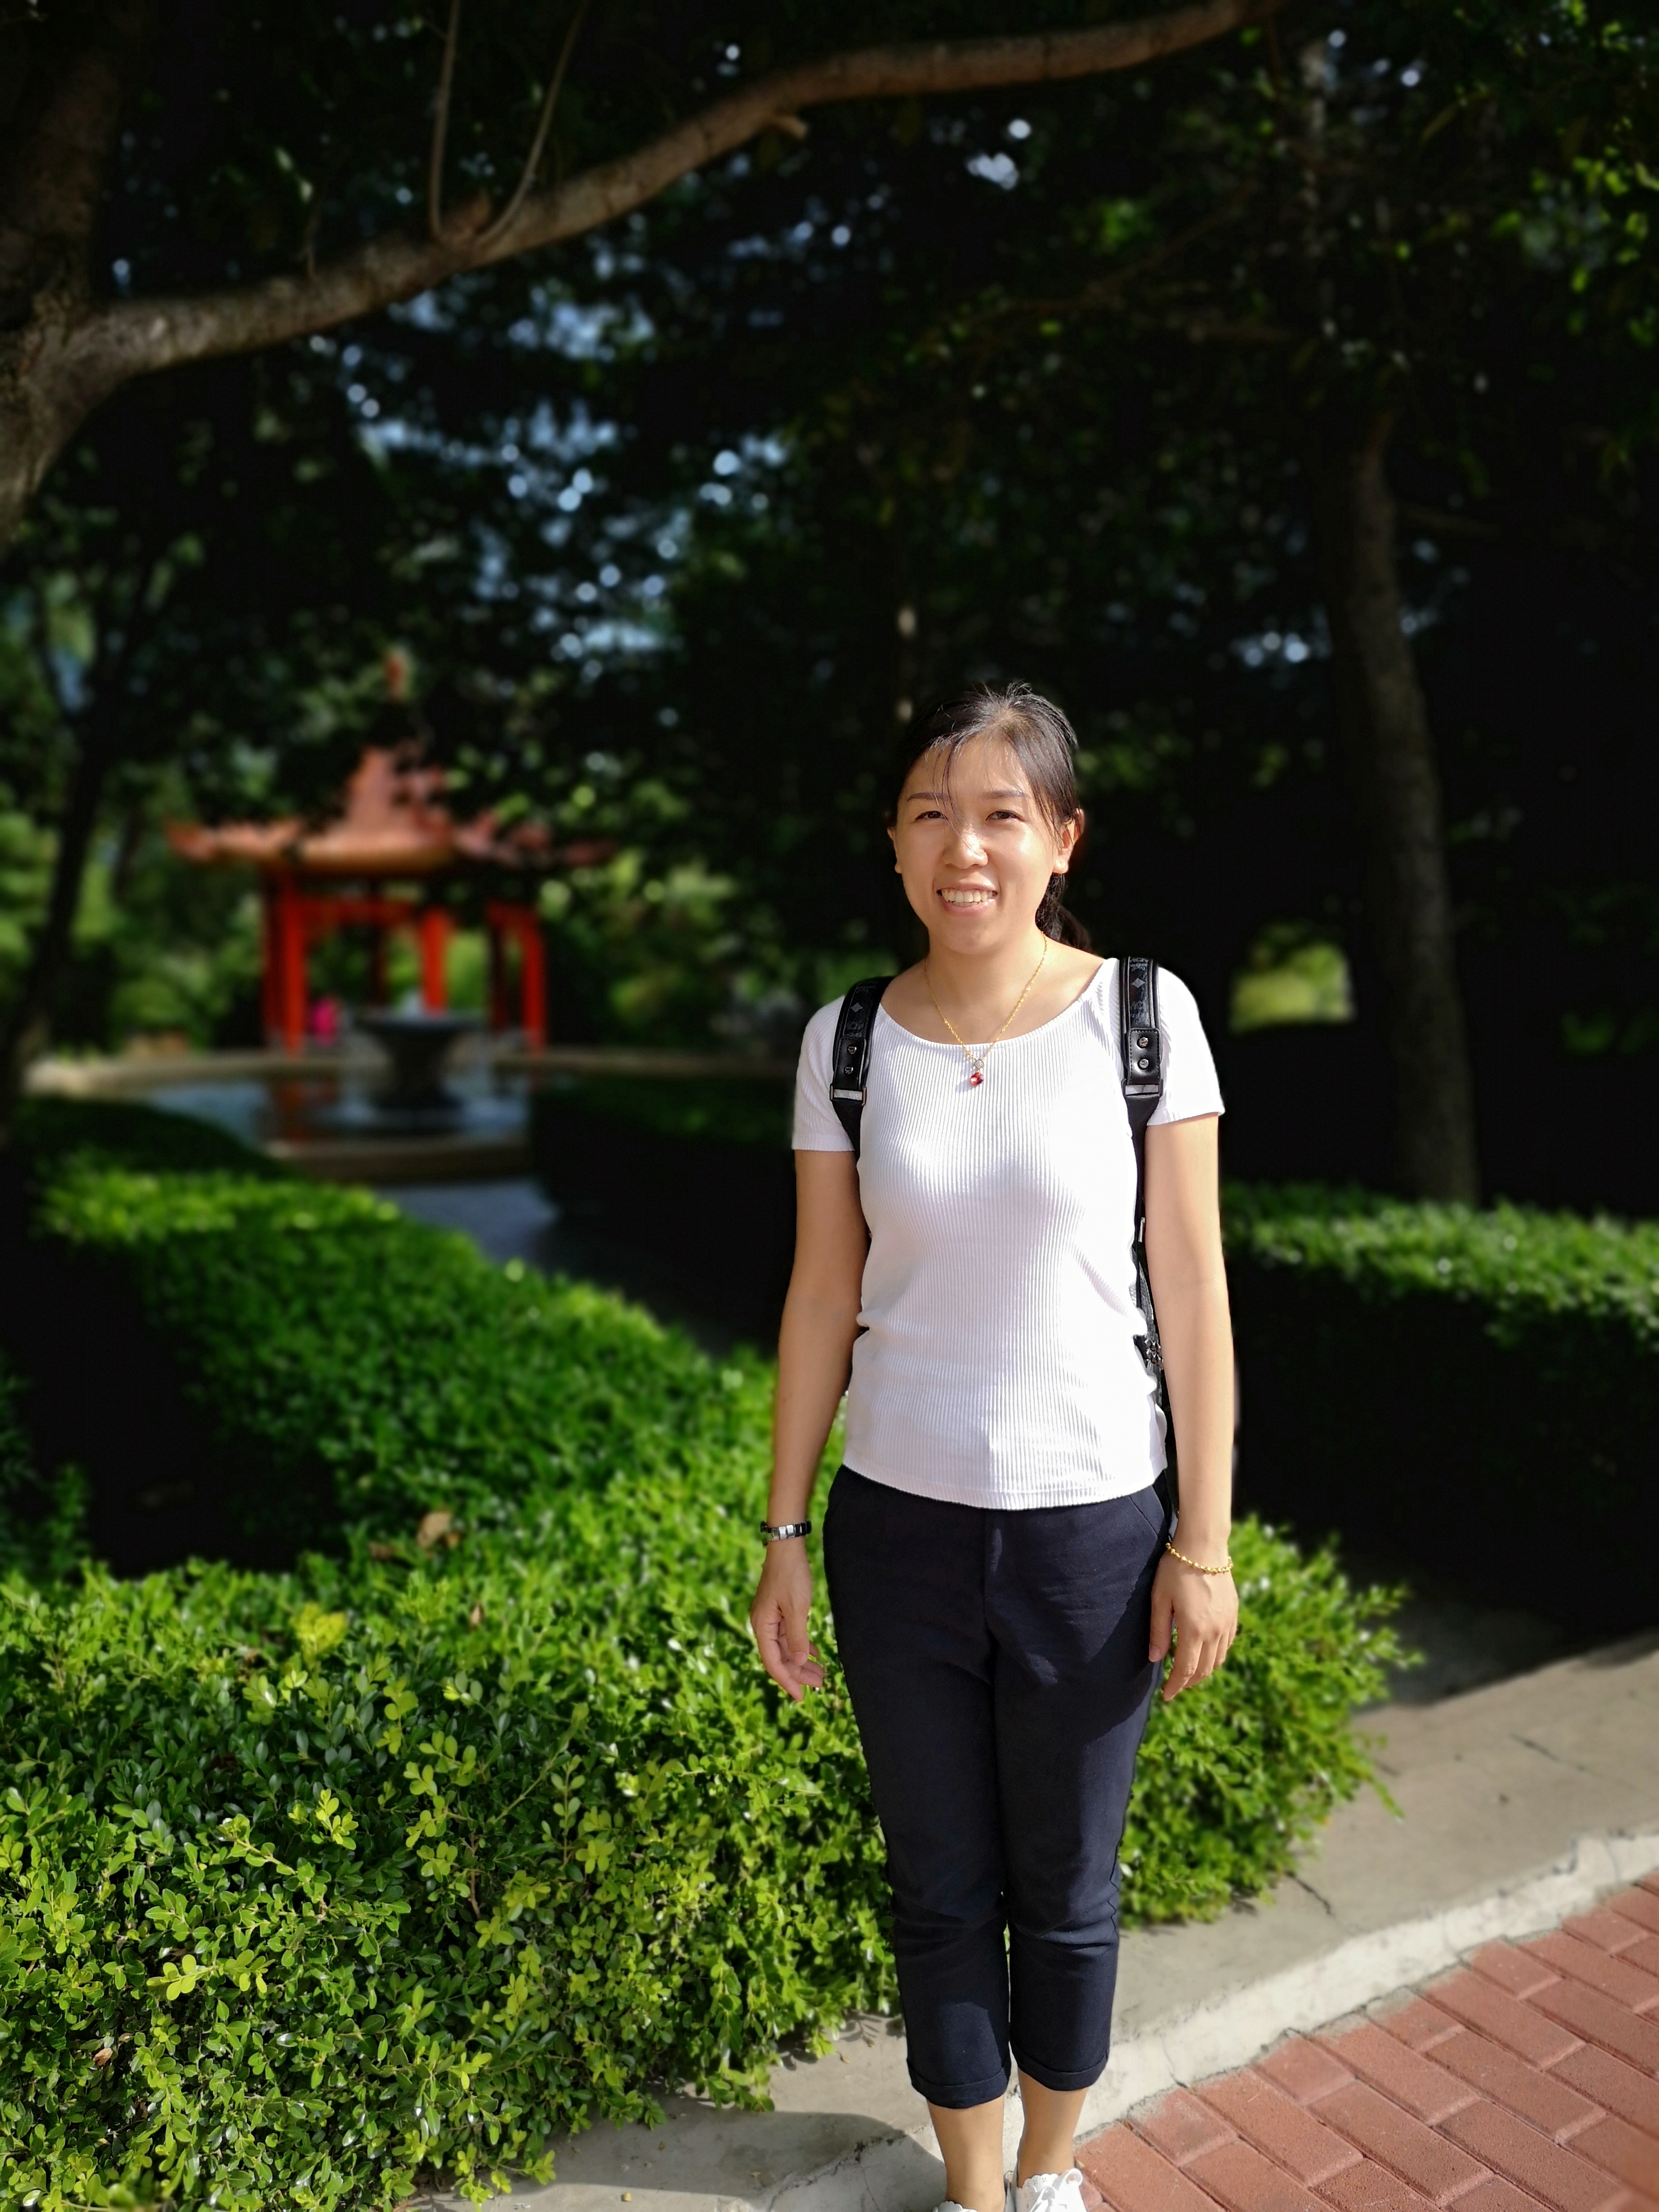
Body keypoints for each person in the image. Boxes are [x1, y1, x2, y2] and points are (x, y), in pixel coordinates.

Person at [749, 682, 1239, 2212]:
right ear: (897, 847)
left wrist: (1205, 1542)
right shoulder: (846, 1041)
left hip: (1091, 1529)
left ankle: (1050, 2173)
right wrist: (783, 1533)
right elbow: (821, 1293)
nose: (964, 847)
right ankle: (974, 2192)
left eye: (1001, 815)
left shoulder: (1141, 1018)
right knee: (940, 1886)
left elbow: (1195, 1289)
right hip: (897, 1530)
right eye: (931, 815)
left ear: (1062, 839)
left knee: (1070, 1887)